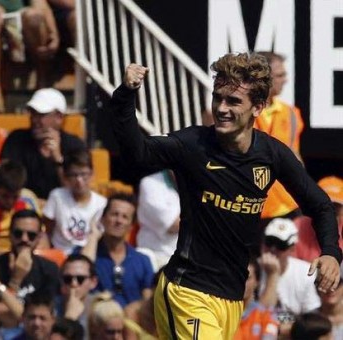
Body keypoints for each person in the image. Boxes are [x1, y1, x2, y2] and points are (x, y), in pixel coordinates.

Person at [113, 53, 341, 339]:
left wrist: (331, 252)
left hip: (232, 299)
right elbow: (137, 153)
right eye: (217, 97)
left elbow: (320, 205)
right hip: (188, 290)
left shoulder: (272, 154)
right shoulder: (193, 144)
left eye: (233, 101)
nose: (221, 108)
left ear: (258, 107)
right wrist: (125, 95)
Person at [0, 0, 60, 110]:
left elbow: (40, 4)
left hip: (16, 17)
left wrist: (53, 31)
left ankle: (42, 86)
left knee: (35, 17)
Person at [0, 88, 86, 200]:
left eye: (41, 115)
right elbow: (5, 181)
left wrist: (58, 160)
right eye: (33, 113)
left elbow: (75, 193)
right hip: (23, 207)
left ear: (59, 117)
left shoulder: (75, 146)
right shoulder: (16, 139)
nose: (35, 120)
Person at [254, 51, 304, 221]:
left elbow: (295, 156)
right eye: (279, 75)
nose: (285, 80)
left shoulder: (291, 114)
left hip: (288, 206)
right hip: (250, 207)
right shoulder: (239, 113)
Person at [81, 193, 154, 308]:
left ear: (131, 226)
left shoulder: (142, 260)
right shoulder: (86, 252)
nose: (119, 221)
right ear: (103, 219)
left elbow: (148, 301)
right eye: (114, 214)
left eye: (125, 217)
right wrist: (93, 236)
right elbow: (81, 271)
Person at [261, 218, 321, 329]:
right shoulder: (252, 271)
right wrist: (272, 275)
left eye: (280, 245)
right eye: (269, 243)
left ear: (292, 248)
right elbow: (259, 317)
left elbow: (311, 317)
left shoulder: (307, 272)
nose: (273, 249)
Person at [43, 150, 106, 254]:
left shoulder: (102, 204)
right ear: (66, 177)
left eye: (84, 174)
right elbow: (48, 228)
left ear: (91, 174)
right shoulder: (57, 196)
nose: (79, 181)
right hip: (60, 252)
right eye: (74, 175)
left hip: (88, 253)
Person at [0, 209, 60, 300]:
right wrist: (15, 280)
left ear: (39, 237)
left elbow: (45, 311)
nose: (24, 239)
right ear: (10, 235)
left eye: (31, 235)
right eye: (18, 234)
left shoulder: (50, 269)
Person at [135, 170, 180, 269]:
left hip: (185, 261)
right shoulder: (150, 183)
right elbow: (173, 225)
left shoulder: (196, 183)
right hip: (156, 259)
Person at [233, 255, 281, 340]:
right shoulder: (221, 310)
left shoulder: (266, 315)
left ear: (257, 282)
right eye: (239, 277)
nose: (243, 283)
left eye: (248, 278)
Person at [55, 254, 98, 329]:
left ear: (93, 282)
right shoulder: (51, 309)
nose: (73, 284)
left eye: (80, 279)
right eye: (67, 279)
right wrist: (70, 317)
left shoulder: (101, 308)